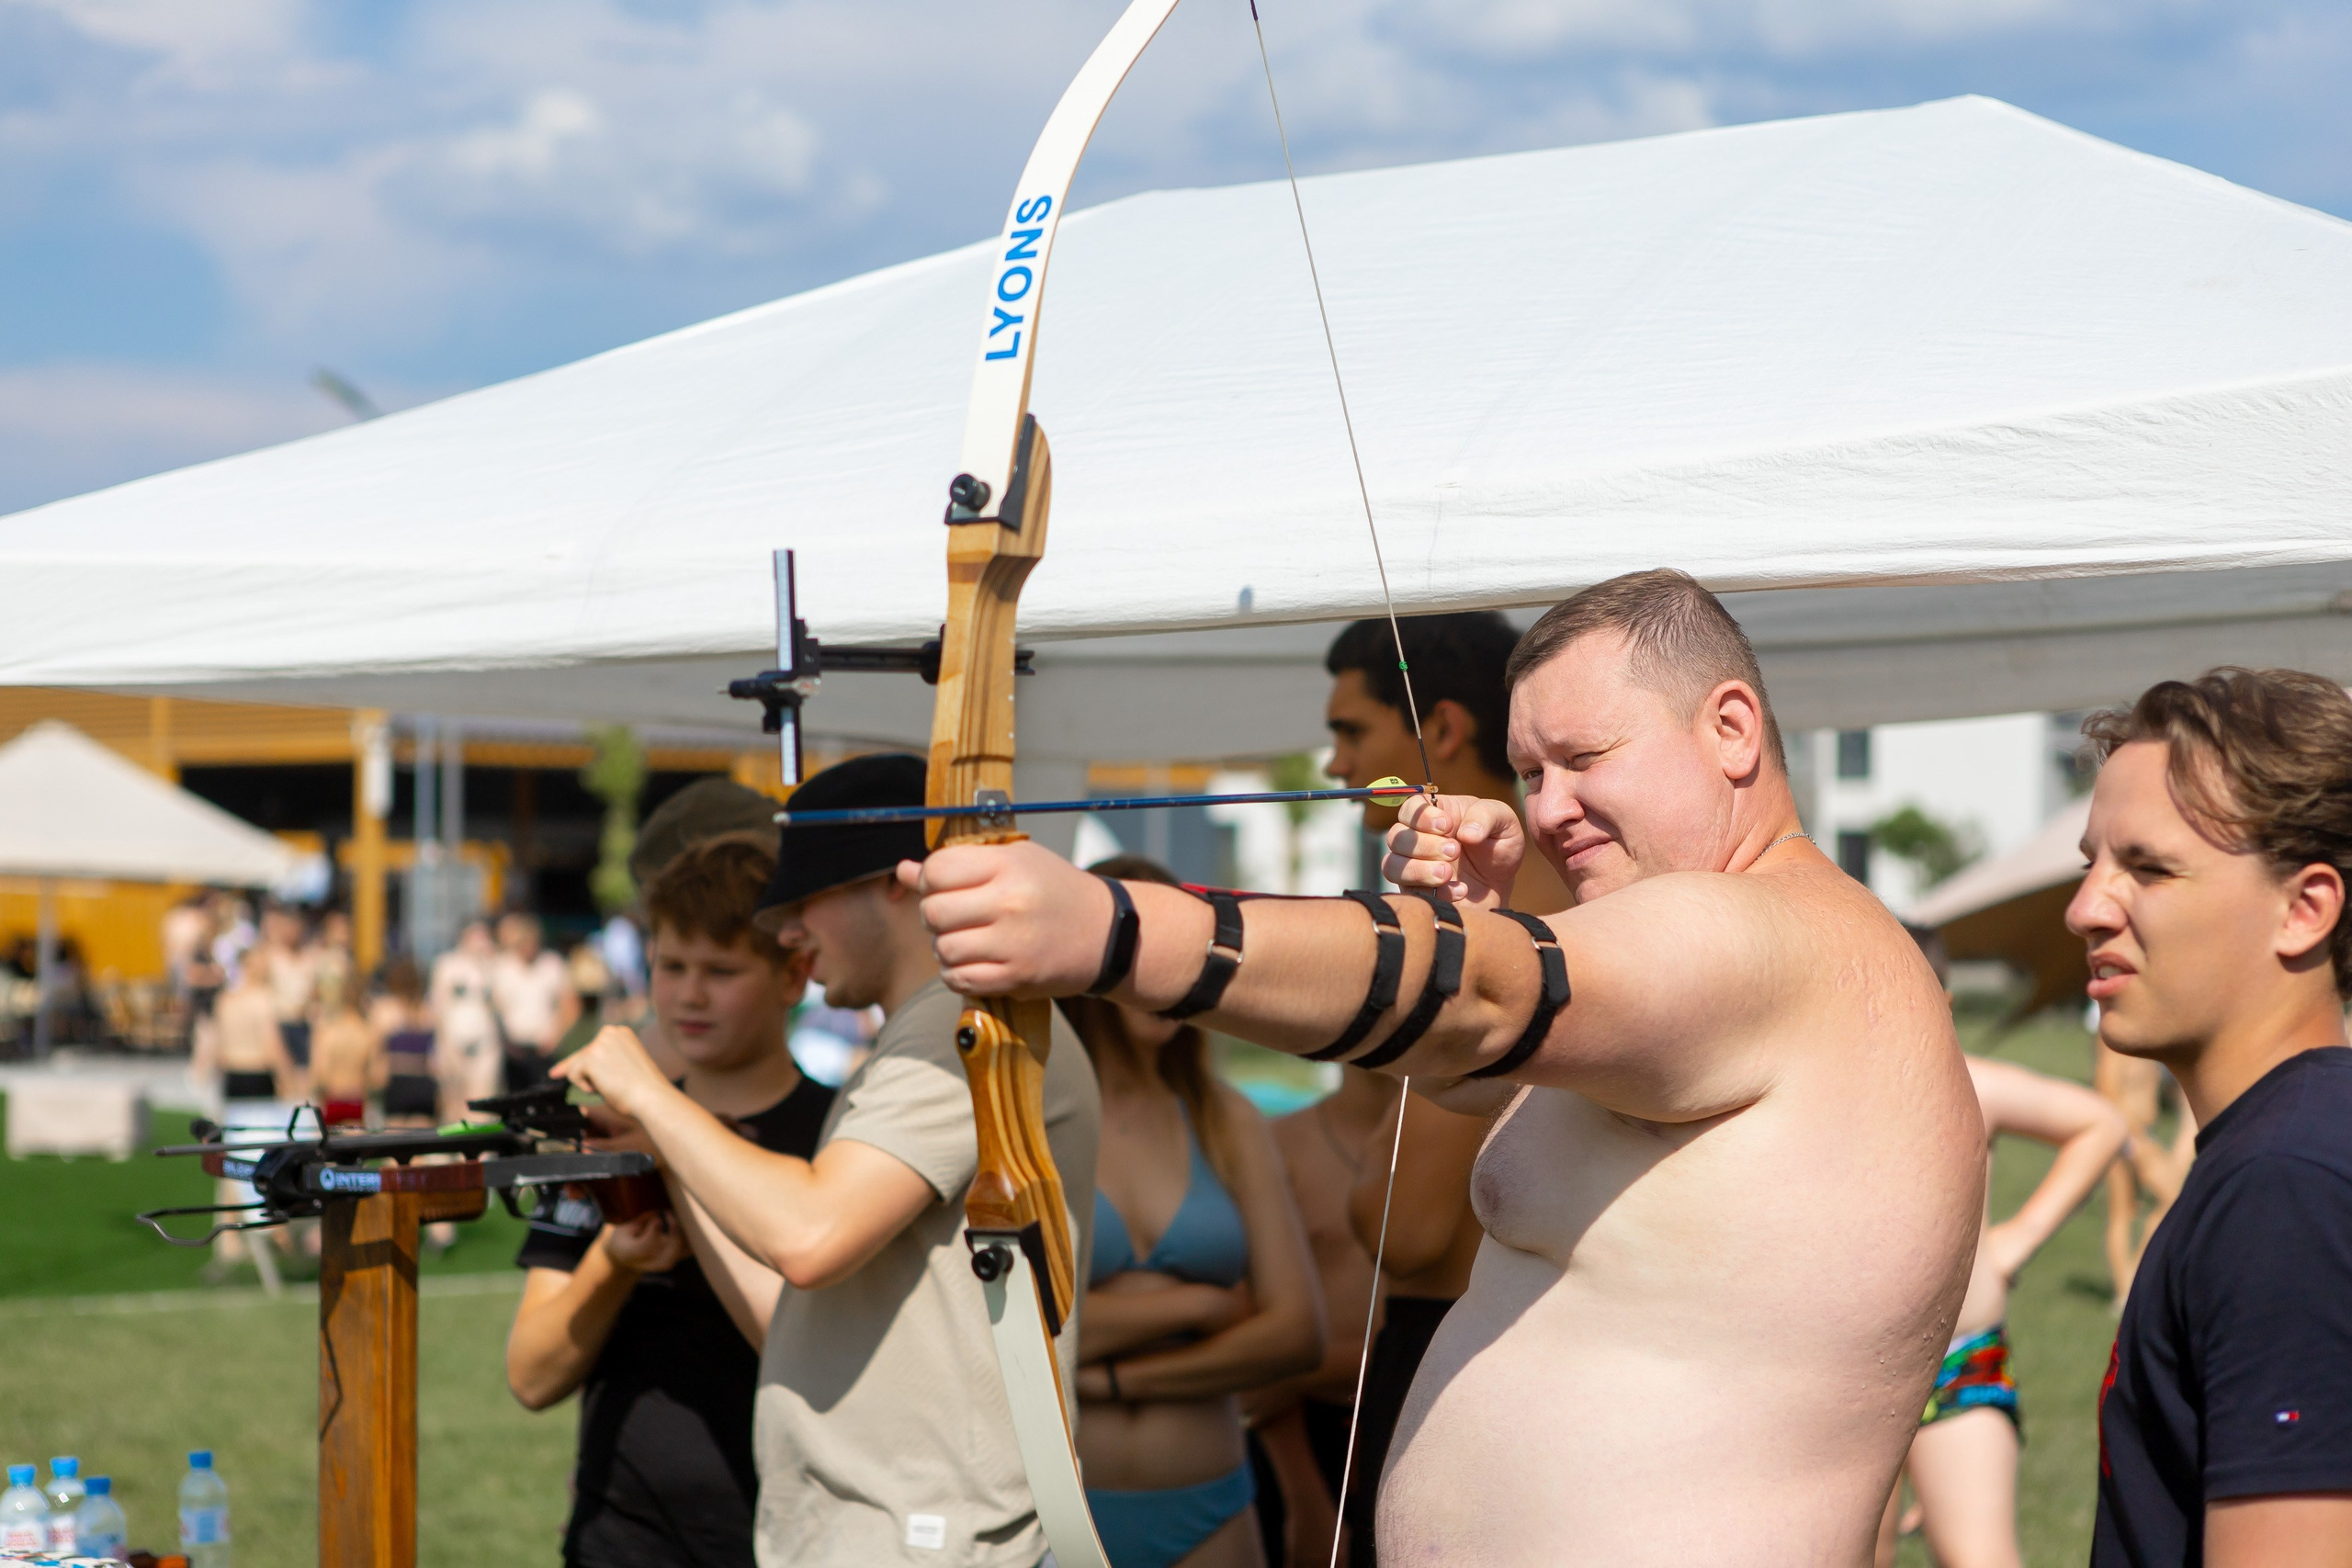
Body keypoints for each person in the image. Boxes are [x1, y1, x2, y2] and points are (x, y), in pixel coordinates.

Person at [910, 569, 1984, 1563]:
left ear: (1731, 729)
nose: (1547, 807)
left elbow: (1480, 998)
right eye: (1529, 773)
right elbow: (1469, 1064)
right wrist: (1469, 925)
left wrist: (1110, 930)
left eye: (1585, 758)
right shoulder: (1727, 960)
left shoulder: (1778, 935)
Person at [557, 752, 1102, 1567]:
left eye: (805, 897)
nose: (786, 931)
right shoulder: (917, 1036)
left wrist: (651, 1092)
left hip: (933, 1536)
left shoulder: (966, 1031)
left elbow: (809, 1235)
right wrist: (669, 1154)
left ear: (895, 880)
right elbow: (796, 1311)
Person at [2065, 669, 2352, 1566]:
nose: (2083, 909)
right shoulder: (2288, 1151)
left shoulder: (2285, 1187)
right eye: (2091, 864)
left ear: (2302, 909)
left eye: (2146, 869)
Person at [1317, 613, 1570, 1565]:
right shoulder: (1556, 882)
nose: (1338, 764)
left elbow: (1407, 1225)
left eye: (1353, 733)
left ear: (1444, 732)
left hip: (1461, 1352)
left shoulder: (1511, 899)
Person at [507, 837, 832, 1568]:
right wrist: (613, 1263)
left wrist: (674, 1156)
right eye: (671, 966)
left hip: (789, 1541)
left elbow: (821, 1353)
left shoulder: (843, 1138)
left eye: (721, 970)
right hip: (619, 1541)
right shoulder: (608, 1132)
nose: (689, 993)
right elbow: (530, 1375)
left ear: (794, 975)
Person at [1064, 855, 1322, 1568]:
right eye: (1145, 950)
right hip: (1059, 1507)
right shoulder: (1040, 1120)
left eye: (1185, 950)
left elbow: (1298, 1332)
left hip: (1209, 1505)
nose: (1168, 973)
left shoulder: (1225, 1117)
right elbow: (1009, 1339)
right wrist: (1195, 1308)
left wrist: (1113, 1380)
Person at [1871, 927, 2129, 1568]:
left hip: (1961, 1360)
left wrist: (2020, 1236)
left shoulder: (1970, 1085)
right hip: (1850, 1371)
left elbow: (2100, 1122)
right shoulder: (1811, 1093)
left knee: (1978, 1554)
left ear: (1945, 1004)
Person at [1250, 1066, 1394, 1568]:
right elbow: (1259, 1362)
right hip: (1307, 1435)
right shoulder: (1281, 1146)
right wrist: (1304, 1495)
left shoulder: (1472, 1148)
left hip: (1418, 1423)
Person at [2093, 1040, 2198, 1307]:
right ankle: (2127, 1288)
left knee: (2134, 1209)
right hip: (2127, 1136)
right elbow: (2106, 1091)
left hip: (2140, 1135)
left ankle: (2130, 1284)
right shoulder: (2112, 1047)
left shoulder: (2146, 1045)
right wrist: (2131, 1138)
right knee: (2155, 1203)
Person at [494, 910, 579, 1092]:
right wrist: (505, 1042)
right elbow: (494, 1007)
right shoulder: (503, 967)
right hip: (514, 1051)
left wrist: (556, 1037)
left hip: (544, 1049)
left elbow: (570, 1005)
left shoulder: (552, 964)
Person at [432, 919, 503, 1109]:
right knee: (454, 1102)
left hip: (484, 1044)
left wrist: (489, 964)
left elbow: (500, 1005)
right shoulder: (447, 964)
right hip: (454, 1042)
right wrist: (444, 1048)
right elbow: (438, 1007)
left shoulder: (494, 965)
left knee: (482, 1099)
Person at [369, 956, 442, 1126]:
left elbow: (377, 1051)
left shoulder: (385, 1010)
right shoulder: (427, 1011)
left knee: (395, 1139)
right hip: (423, 1081)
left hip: (397, 1081)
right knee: (420, 1142)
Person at [307, 969, 383, 1129]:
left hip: (332, 1101)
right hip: (357, 1102)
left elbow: (319, 1075)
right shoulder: (367, 1032)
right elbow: (377, 1077)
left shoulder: (327, 1031)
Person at [257, 905, 318, 1077]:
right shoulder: (272, 955)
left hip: (303, 1021)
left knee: (304, 1071)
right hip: (280, 1020)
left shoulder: (310, 957)